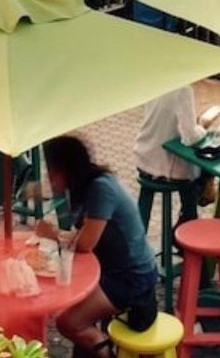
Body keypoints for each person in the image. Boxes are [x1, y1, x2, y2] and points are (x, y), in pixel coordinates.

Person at [37, 135, 159, 352]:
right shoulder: (85, 186)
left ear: (68, 168)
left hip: (132, 277)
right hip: (111, 269)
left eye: (53, 170)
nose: (50, 176)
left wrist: (53, 233)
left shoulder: (101, 189)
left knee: (68, 322)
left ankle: (103, 347)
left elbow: (85, 244)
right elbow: (81, 237)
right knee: (71, 302)